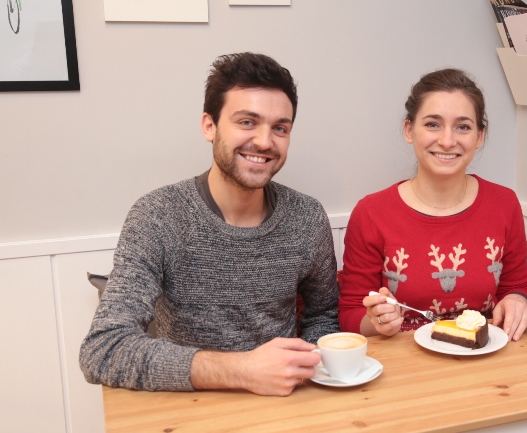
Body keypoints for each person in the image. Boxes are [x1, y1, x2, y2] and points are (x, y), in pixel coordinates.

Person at [80, 53, 339, 396]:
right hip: (192, 408)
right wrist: (243, 371)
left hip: (285, 402)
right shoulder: (158, 215)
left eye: (280, 128)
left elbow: (324, 316)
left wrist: (310, 368)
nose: (265, 141)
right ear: (209, 126)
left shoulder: (307, 217)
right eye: (247, 122)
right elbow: (103, 349)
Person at [338, 68, 527, 433]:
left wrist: (518, 300)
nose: (447, 140)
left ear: (479, 136)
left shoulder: (504, 205)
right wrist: (377, 322)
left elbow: (518, 285)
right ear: (408, 130)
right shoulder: (371, 213)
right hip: (401, 389)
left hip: (487, 381)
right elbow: (349, 315)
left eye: (462, 126)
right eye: (432, 124)